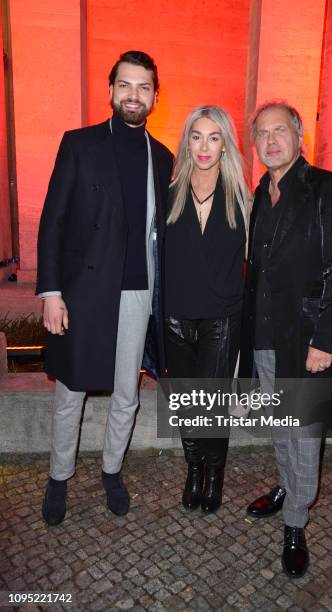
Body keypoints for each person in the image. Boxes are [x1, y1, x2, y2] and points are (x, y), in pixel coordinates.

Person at [37, 50, 173, 525]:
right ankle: (59, 476)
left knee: (126, 393)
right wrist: (51, 292)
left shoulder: (165, 157)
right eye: (125, 85)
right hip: (83, 291)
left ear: (155, 96)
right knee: (71, 390)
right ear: (111, 89)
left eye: (143, 87)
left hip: (138, 292)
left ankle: (112, 470)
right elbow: (53, 221)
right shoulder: (79, 144)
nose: (133, 95)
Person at [239, 100, 332, 577]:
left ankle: (295, 522)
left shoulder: (328, 188)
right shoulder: (257, 195)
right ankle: (287, 486)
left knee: (304, 435)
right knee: (280, 425)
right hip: (265, 337)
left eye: (279, 131)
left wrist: (325, 341)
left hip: (307, 340)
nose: (270, 140)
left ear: (298, 135)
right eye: (262, 134)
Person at [165, 105, 250, 513]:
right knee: (185, 401)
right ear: (187, 142)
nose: (204, 146)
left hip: (222, 318)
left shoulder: (243, 199)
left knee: (212, 401)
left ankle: (214, 471)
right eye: (196, 136)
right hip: (176, 317)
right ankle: (194, 467)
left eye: (213, 137)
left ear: (225, 145)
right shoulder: (168, 196)